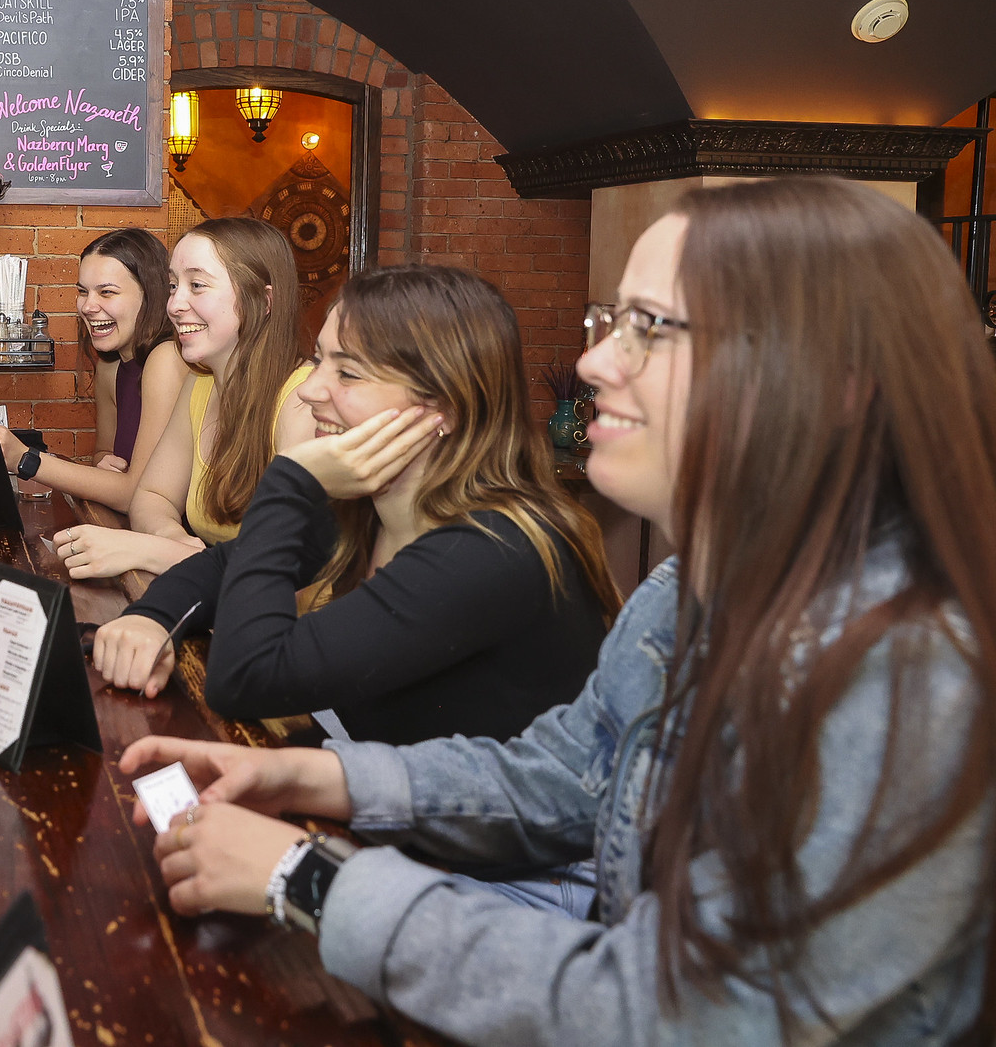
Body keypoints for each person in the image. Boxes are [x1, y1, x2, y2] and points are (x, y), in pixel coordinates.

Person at [123, 178, 995, 1043]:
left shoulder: (905, 672)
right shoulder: (688, 587)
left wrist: (304, 877)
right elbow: (570, 773)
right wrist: (317, 779)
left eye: (650, 330)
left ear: (829, 382)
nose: (593, 363)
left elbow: (685, 1016)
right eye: (609, 325)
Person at [96, 264, 615, 747]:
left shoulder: (487, 549)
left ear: (444, 406)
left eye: (348, 374)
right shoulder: (370, 508)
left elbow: (246, 678)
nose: (311, 391)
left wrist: (290, 482)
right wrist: (152, 617)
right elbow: (223, 566)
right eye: (321, 361)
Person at [52, 218, 310, 579]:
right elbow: (151, 496)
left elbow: (286, 563)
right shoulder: (201, 383)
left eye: (197, 285)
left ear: (264, 301)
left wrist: (156, 551)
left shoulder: (304, 401)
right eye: (174, 286)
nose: (174, 304)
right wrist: (170, 538)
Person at [0, 228, 184, 510]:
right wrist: (102, 462)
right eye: (83, 292)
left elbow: (135, 494)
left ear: (151, 295)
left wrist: (24, 458)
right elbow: (104, 454)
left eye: (107, 292)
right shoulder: (110, 369)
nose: (87, 306)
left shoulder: (166, 359)